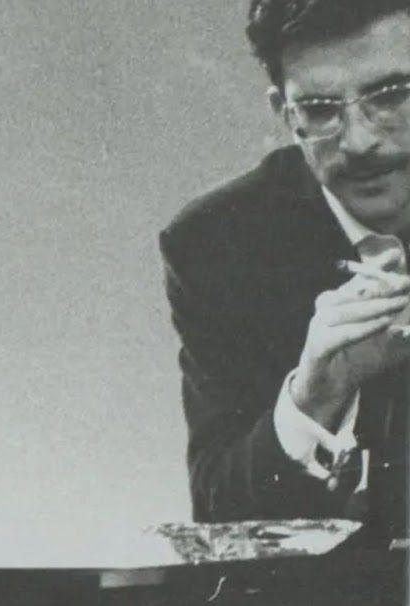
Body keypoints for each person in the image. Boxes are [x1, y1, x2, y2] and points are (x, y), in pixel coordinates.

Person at [161, 0, 410, 536]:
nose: (360, 141)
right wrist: (316, 395)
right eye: (320, 109)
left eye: (391, 96)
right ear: (284, 113)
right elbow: (221, 520)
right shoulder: (217, 243)